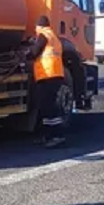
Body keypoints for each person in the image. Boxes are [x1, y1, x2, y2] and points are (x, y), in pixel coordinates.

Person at [29, 15, 67, 148]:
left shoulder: (43, 35)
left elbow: (34, 52)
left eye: (36, 27)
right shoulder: (53, 36)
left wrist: (26, 53)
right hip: (54, 75)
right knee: (47, 106)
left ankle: (57, 135)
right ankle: (48, 135)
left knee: (49, 107)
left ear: (39, 26)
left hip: (48, 75)